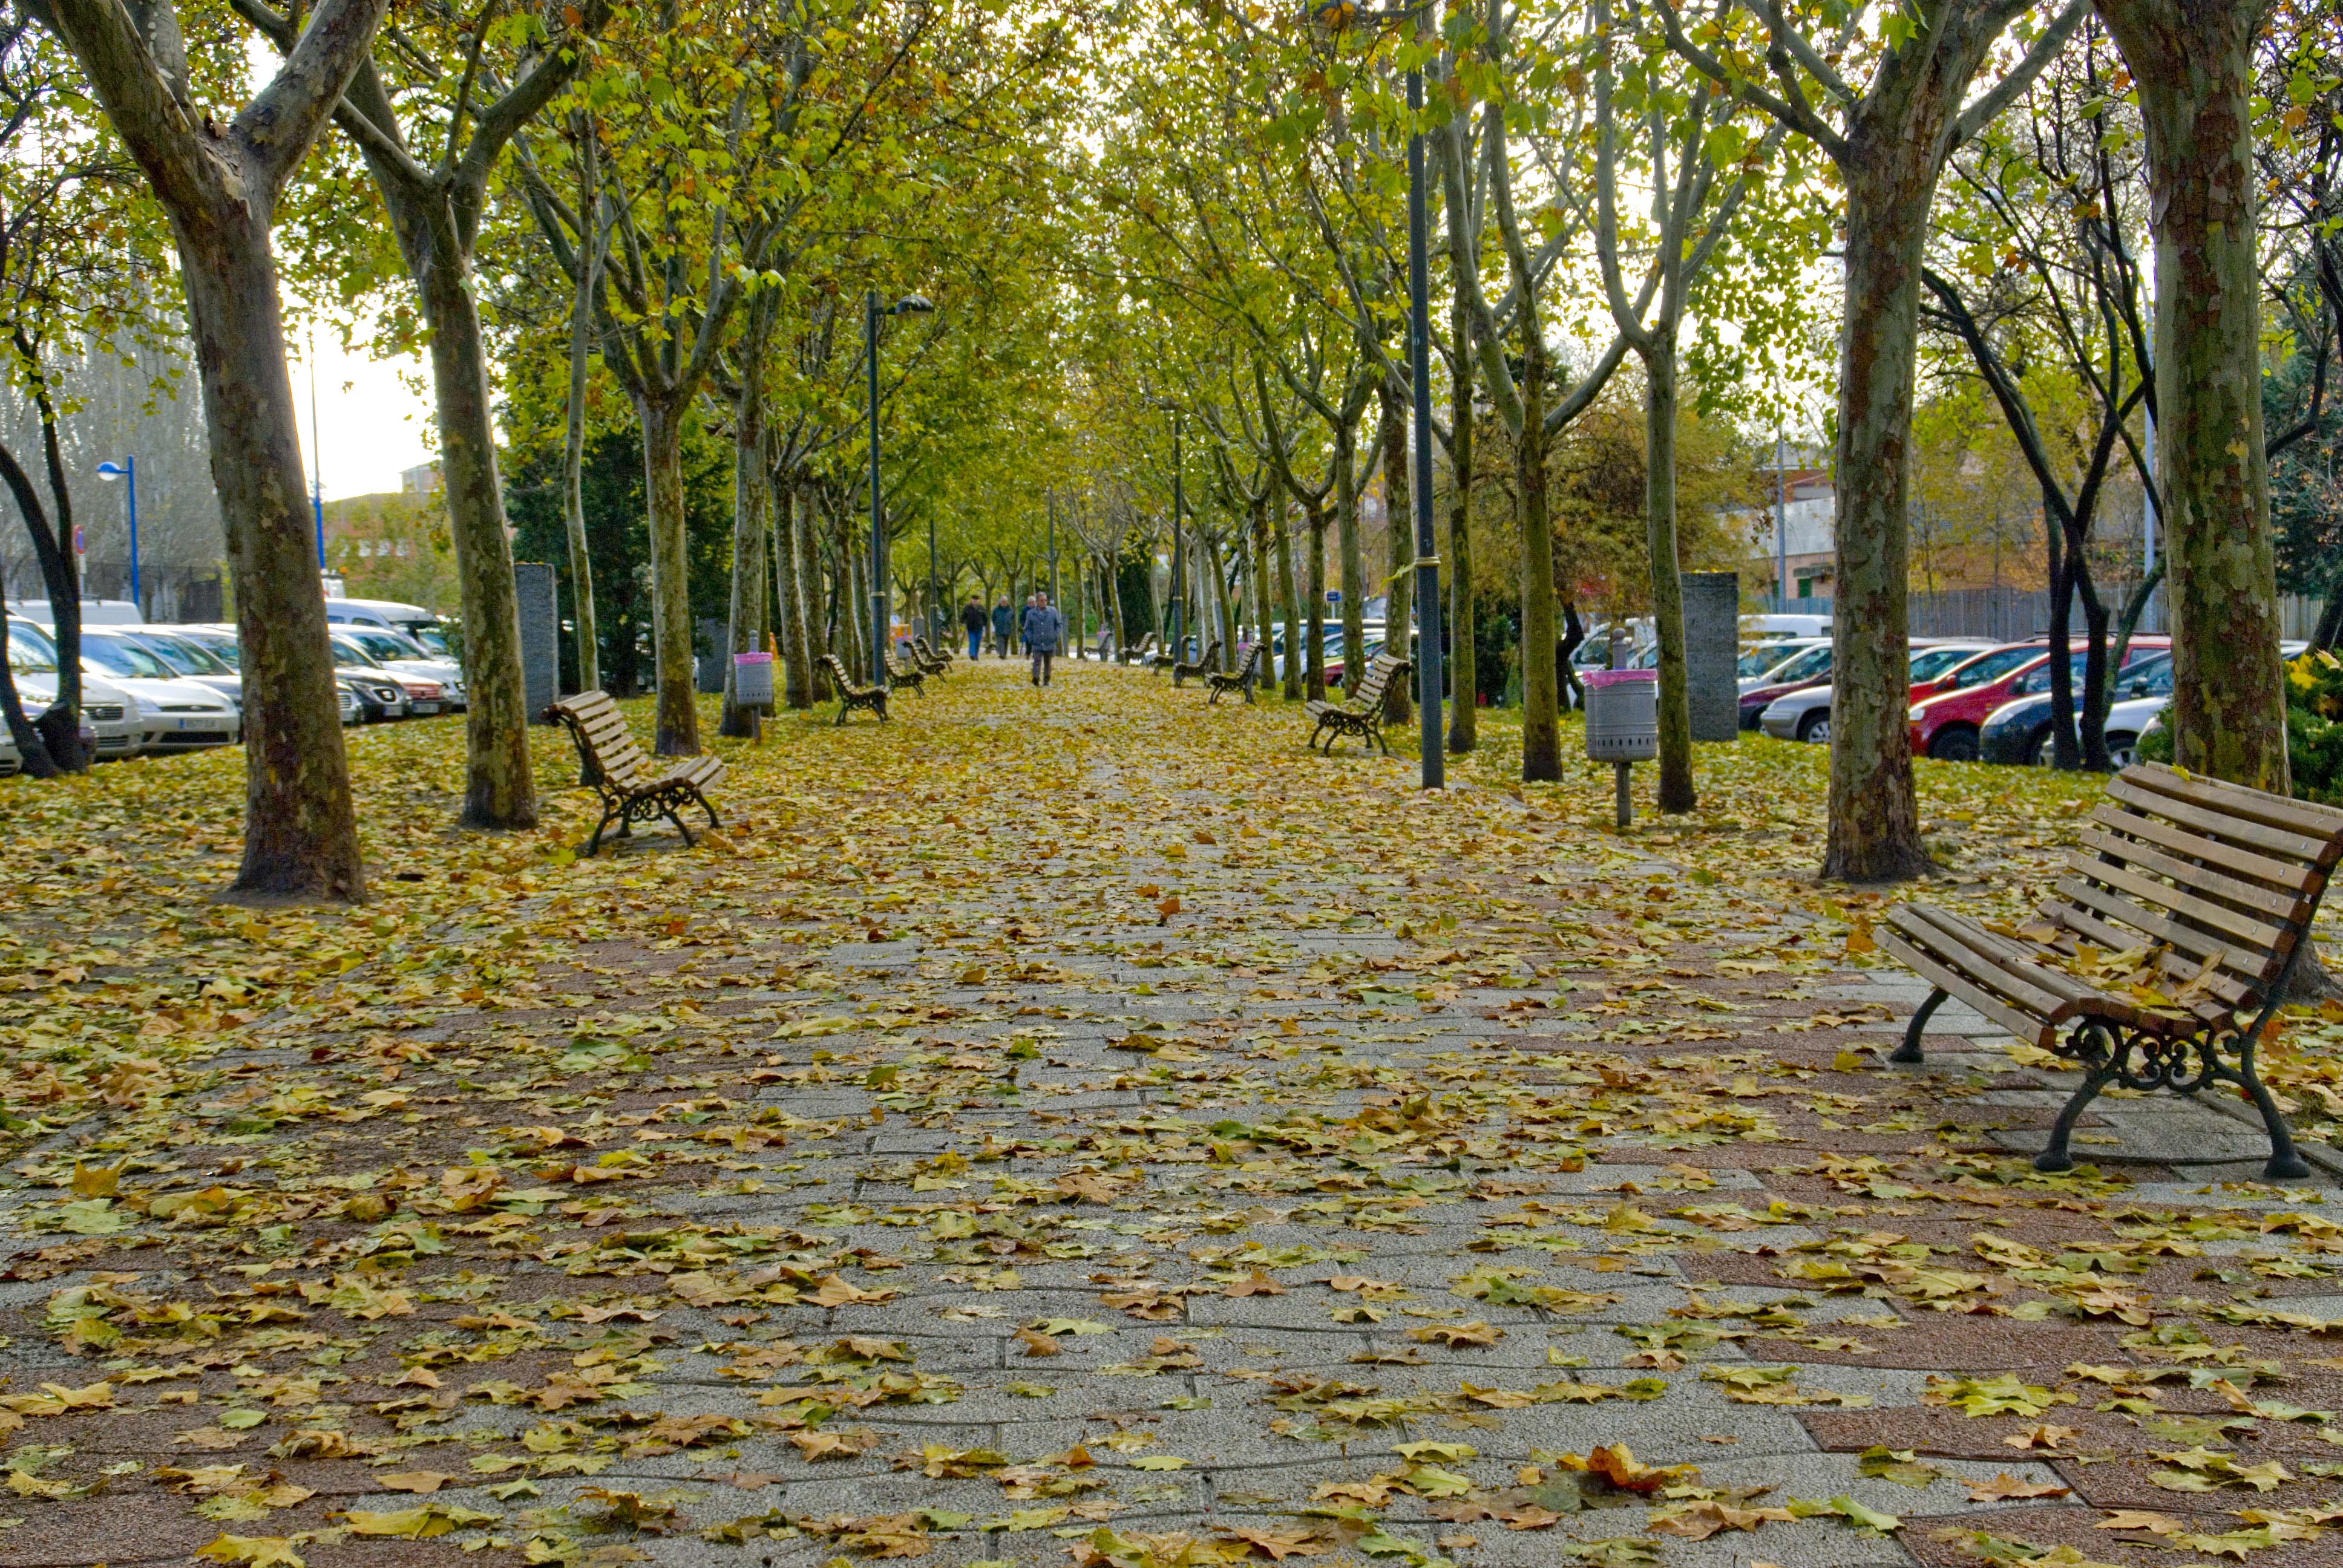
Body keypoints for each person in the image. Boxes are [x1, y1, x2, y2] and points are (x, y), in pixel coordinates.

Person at [1022, 592, 1064, 687]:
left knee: (1048, 662)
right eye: (1042, 600)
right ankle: (1036, 678)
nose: (1044, 602)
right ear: (1037, 601)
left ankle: (1047, 680)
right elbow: (1027, 628)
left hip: (1049, 641)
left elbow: (1059, 624)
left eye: (1045, 600)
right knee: (1037, 661)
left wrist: (1055, 636)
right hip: (1037, 642)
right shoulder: (1031, 613)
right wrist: (1031, 638)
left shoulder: (1053, 611)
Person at [960, 596, 986, 661]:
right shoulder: (967, 608)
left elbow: (985, 617)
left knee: (978, 642)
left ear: (979, 601)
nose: (975, 601)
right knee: (972, 641)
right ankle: (972, 654)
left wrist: (985, 625)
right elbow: (963, 617)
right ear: (971, 600)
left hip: (979, 628)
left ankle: (976, 656)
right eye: (974, 600)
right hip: (971, 627)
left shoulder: (982, 608)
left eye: (977, 600)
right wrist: (963, 622)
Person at [991, 595, 1014, 659]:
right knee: (1000, 642)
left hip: (1007, 628)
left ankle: (1004, 655)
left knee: (1006, 642)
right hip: (999, 628)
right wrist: (996, 624)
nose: (1004, 603)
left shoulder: (1010, 610)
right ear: (1000, 602)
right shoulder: (996, 609)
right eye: (1003, 602)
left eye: (1005, 602)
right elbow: (993, 618)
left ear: (1007, 602)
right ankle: (1002, 654)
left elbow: (1012, 618)